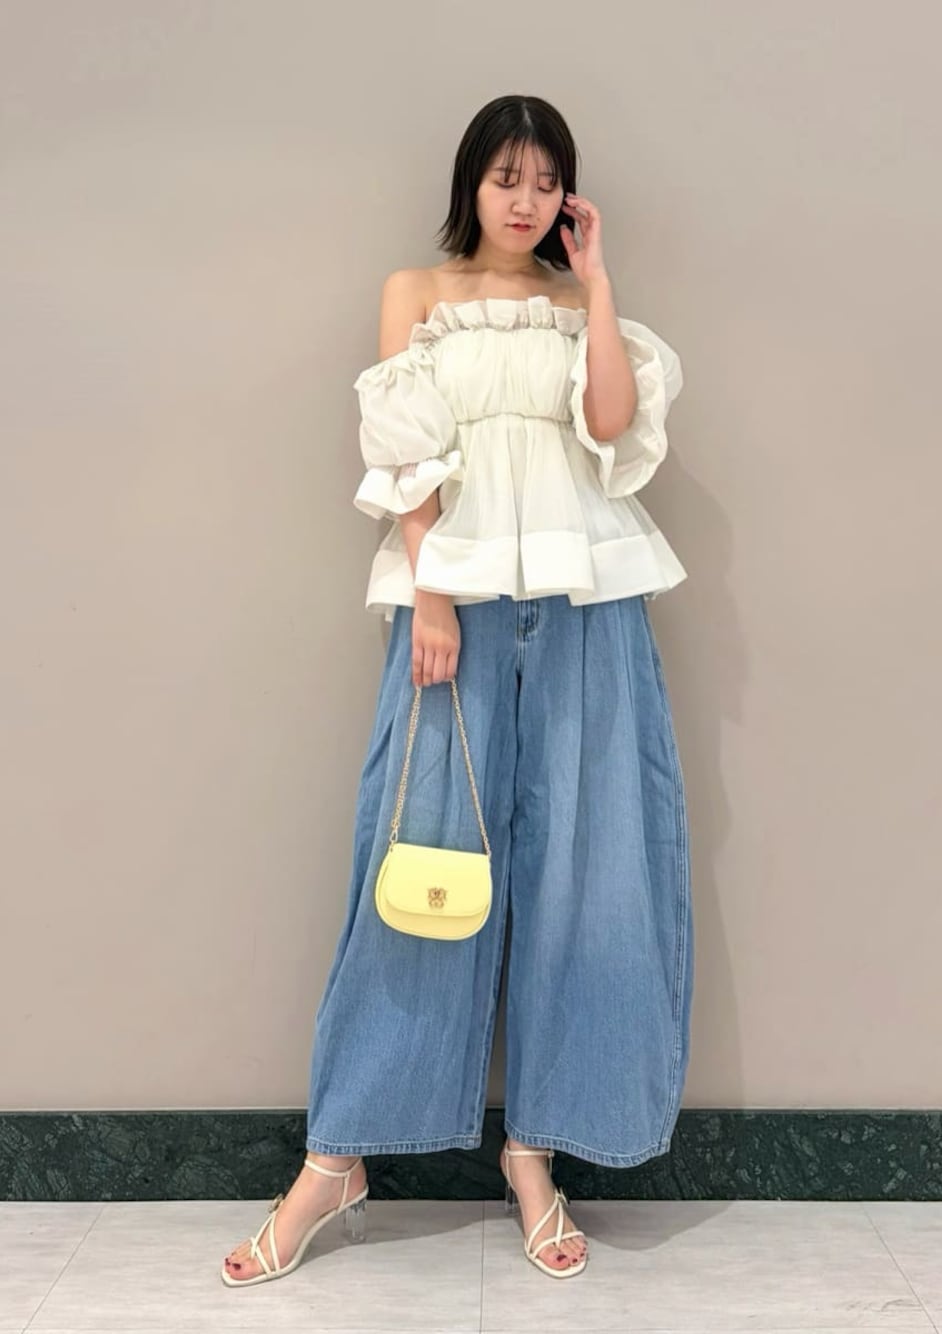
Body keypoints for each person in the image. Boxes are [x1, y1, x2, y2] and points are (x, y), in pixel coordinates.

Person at [222, 93, 694, 1287]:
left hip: (588, 604)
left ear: (568, 195)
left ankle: (535, 1152)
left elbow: (612, 426)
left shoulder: (579, 304)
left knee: (591, 872)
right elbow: (402, 447)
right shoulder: (417, 294)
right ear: (471, 184)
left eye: (545, 180)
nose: (524, 199)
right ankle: (336, 1158)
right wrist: (431, 595)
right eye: (504, 177)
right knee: (417, 867)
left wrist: (598, 282)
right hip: (459, 610)